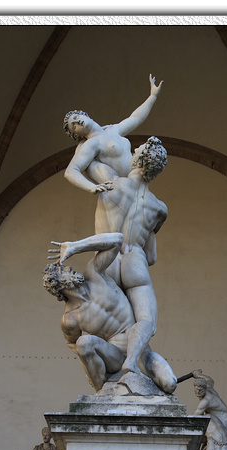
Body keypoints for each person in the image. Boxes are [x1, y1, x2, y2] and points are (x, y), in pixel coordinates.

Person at [51, 136, 169, 381]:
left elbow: (80, 165)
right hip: (135, 261)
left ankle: (111, 368)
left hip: (109, 260)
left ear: (135, 160)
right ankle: (131, 362)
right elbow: (152, 256)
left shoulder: (111, 182)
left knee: (107, 321)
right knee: (146, 320)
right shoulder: (159, 208)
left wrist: (90, 140)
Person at [45, 231, 176, 393]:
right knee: (83, 343)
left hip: (141, 349)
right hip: (113, 355)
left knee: (169, 384)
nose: (69, 269)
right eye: (63, 271)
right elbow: (73, 344)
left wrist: (75, 246)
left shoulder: (93, 274)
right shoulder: (70, 318)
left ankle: (131, 362)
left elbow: (117, 240)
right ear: (57, 284)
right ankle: (101, 393)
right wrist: (91, 364)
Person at [63, 74, 163, 194]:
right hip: (122, 189)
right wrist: (91, 187)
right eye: (74, 126)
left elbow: (135, 118)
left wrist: (153, 96)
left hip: (138, 183)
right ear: (77, 135)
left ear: (84, 114)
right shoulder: (91, 143)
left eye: (76, 117)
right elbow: (71, 171)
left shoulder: (113, 129)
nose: (77, 122)